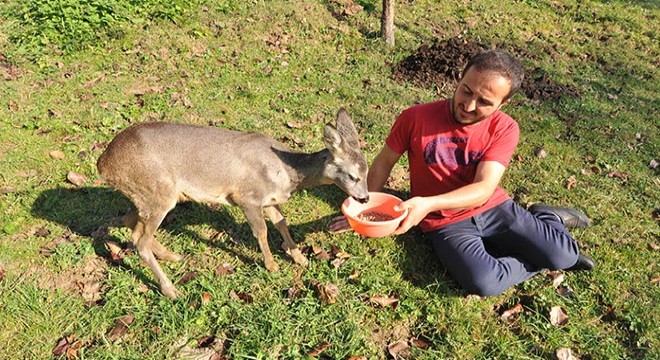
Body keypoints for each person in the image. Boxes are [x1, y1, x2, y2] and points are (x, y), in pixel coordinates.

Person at [331, 49, 595, 296]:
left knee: (565, 257)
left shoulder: (505, 128)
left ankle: (546, 216)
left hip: (494, 208)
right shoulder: (415, 118)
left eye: (484, 102)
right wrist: (363, 213)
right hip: (444, 223)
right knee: (484, 283)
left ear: (504, 103)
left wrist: (428, 202)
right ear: (460, 78)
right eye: (466, 91)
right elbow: (383, 163)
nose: (468, 106)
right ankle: (540, 257)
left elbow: (483, 189)